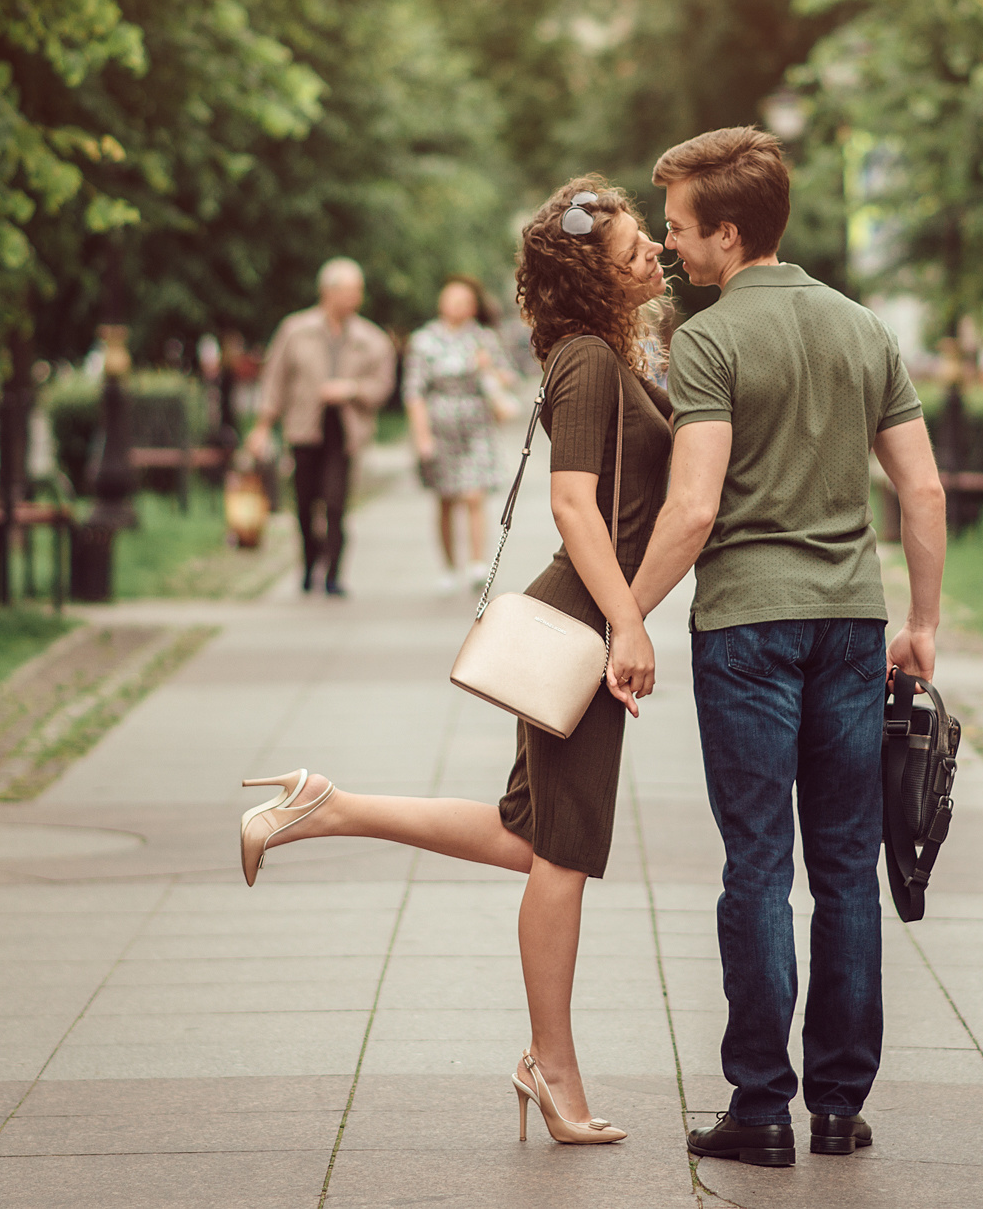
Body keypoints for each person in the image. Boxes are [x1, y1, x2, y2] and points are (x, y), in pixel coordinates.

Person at [235, 178, 671, 1146]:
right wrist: (627, 625)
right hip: (586, 623)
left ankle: (325, 806)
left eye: (648, 238)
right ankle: (550, 1066)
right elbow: (573, 505)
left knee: (529, 836)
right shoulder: (589, 359)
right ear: (593, 277)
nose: (653, 253)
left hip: (591, 617)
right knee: (561, 856)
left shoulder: (606, 354)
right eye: (632, 247)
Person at [628, 127, 948, 1170]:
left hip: (747, 629)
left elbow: (693, 509)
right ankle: (840, 1108)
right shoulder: (863, 328)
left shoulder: (711, 341)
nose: (670, 246)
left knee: (759, 865)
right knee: (847, 865)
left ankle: (761, 1107)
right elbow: (923, 489)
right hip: (853, 625)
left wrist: (625, 616)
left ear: (729, 232)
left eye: (680, 228)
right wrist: (923, 624)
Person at [244, 258, 398, 596]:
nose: (356, 297)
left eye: (358, 290)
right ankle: (310, 560)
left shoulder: (371, 338)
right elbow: (275, 381)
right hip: (303, 428)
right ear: (328, 291)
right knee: (304, 503)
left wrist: (352, 389)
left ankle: (333, 575)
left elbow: (383, 385)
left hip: (345, 432)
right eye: (350, 290)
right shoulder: (295, 330)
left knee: (335, 504)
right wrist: (262, 426)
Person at [404, 274, 514, 590]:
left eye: (465, 301)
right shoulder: (424, 340)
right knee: (446, 498)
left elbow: (508, 378)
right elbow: (414, 391)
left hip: (477, 424)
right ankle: (449, 566)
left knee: (474, 494)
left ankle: (477, 563)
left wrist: (488, 367)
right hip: (440, 426)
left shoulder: (483, 339)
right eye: (453, 300)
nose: (458, 306)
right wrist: (422, 437)